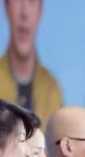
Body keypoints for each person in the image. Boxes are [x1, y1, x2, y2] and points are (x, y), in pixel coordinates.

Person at [0, 0, 62, 128]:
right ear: (6, 7)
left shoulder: (52, 91)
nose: (24, 12)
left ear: (40, 10)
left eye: (32, 1)